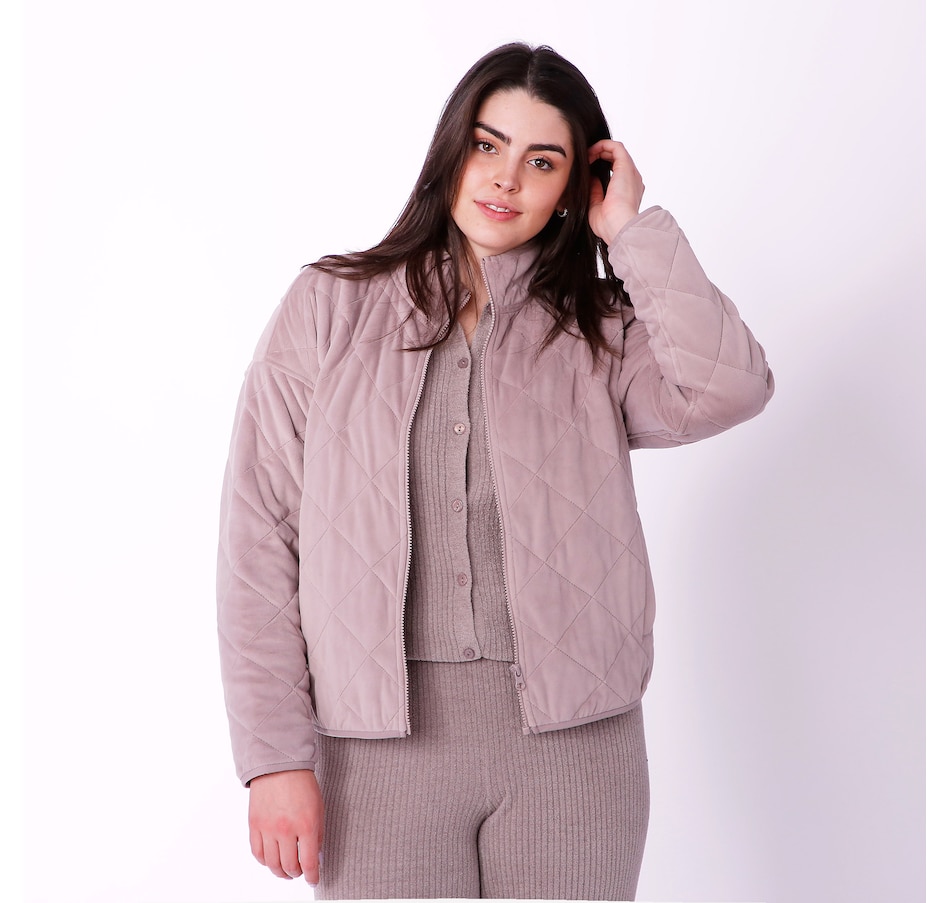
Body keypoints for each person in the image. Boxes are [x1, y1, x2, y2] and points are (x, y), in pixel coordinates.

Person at [217, 42, 774, 901]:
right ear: (452, 150)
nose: (506, 179)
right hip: (376, 754)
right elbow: (260, 538)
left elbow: (730, 386)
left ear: (573, 188)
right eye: (487, 145)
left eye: (542, 161)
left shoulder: (599, 331)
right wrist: (274, 757)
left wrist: (633, 231)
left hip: (575, 748)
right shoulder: (329, 306)